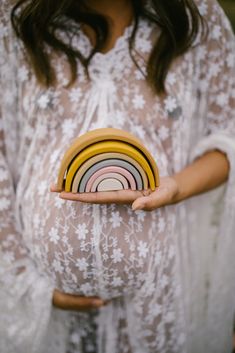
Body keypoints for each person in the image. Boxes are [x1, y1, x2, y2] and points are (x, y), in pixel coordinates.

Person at [0, 0, 234, 352]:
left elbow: (229, 136)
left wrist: (174, 188)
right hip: (44, 307)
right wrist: (22, 280)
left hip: (162, 295)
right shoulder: (13, 19)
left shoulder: (198, 17)